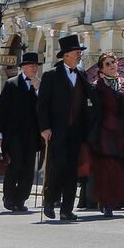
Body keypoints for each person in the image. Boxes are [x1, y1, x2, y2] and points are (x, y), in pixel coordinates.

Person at [37, 33, 98, 221]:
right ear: (66, 55)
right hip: (57, 130)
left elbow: (90, 98)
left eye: (80, 51)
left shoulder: (81, 74)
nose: (80, 54)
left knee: (72, 170)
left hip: (76, 130)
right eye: (77, 52)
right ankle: (49, 201)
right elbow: (42, 104)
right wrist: (45, 127)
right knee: (57, 167)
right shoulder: (51, 75)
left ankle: (67, 209)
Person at [86, 52, 124, 216]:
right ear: (101, 69)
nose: (112, 66)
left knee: (118, 166)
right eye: (108, 64)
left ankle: (112, 199)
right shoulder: (96, 86)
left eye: (114, 62)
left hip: (122, 133)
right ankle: (107, 202)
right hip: (104, 132)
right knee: (107, 167)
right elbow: (91, 112)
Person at [0, 51, 43, 212]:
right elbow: (1, 110)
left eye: (36, 66)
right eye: (31, 66)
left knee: (28, 168)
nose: (34, 68)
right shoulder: (11, 84)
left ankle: (21, 199)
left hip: (32, 134)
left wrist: (38, 90)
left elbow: (44, 108)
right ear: (23, 67)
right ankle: (9, 197)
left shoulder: (39, 85)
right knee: (15, 165)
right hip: (13, 134)